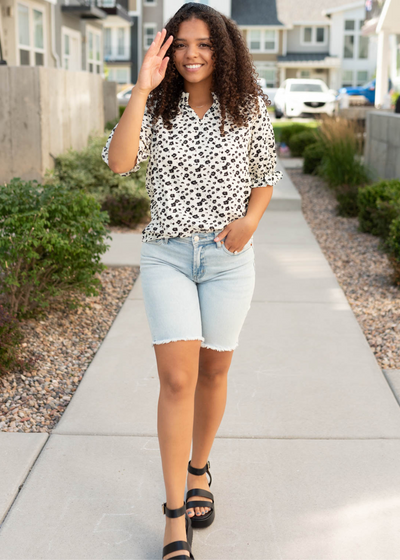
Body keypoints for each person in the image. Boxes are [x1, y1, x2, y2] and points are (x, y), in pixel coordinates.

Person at [101, 3, 282, 559]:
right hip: (168, 258)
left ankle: (200, 466)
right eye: (181, 44)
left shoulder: (247, 106)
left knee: (215, 368)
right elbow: (118, 162)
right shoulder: (155, 106)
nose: (192, 54)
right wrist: (140, 89)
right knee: (176, 380)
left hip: (228, 261)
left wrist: (249, 222)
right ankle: (174, 514)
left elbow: (265, 179)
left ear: (221, 48)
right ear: (168, 50)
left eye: (203, 43)